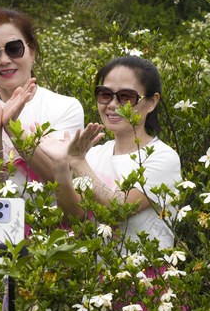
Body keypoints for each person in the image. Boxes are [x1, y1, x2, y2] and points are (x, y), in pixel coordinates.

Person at [39, 55, 182, 250]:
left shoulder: (163, 157)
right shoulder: (94, 155)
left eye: (126, 97)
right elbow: (73, 217)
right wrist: (61, 165)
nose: (112, 105)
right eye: (105, 94)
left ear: (151, 102)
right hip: (97, 278)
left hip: (145, 276)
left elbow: (120, 209)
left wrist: (78, 161)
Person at [0, 9, 84, 193]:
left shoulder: (65, 107)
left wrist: (11, 126)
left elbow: (57, 178)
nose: (3, 60)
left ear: (32, 52)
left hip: (48, 221)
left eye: (14, 49)